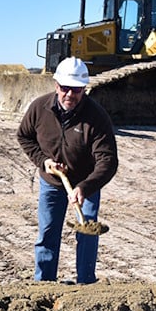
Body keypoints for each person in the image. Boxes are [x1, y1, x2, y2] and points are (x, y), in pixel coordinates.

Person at [16, 57, 118, 284]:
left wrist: (85, 187)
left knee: (87, 230)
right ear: (56, 86)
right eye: (65, 89)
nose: (70, 95)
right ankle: (44, 284)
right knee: (47, 234)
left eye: (76, 90)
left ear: (84, 89)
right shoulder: (39, 108)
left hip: (86, 183)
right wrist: (44, 162)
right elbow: (24, 136)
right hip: (52, 183)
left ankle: (85, 283)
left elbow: (108, 161)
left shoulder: (96, 116)